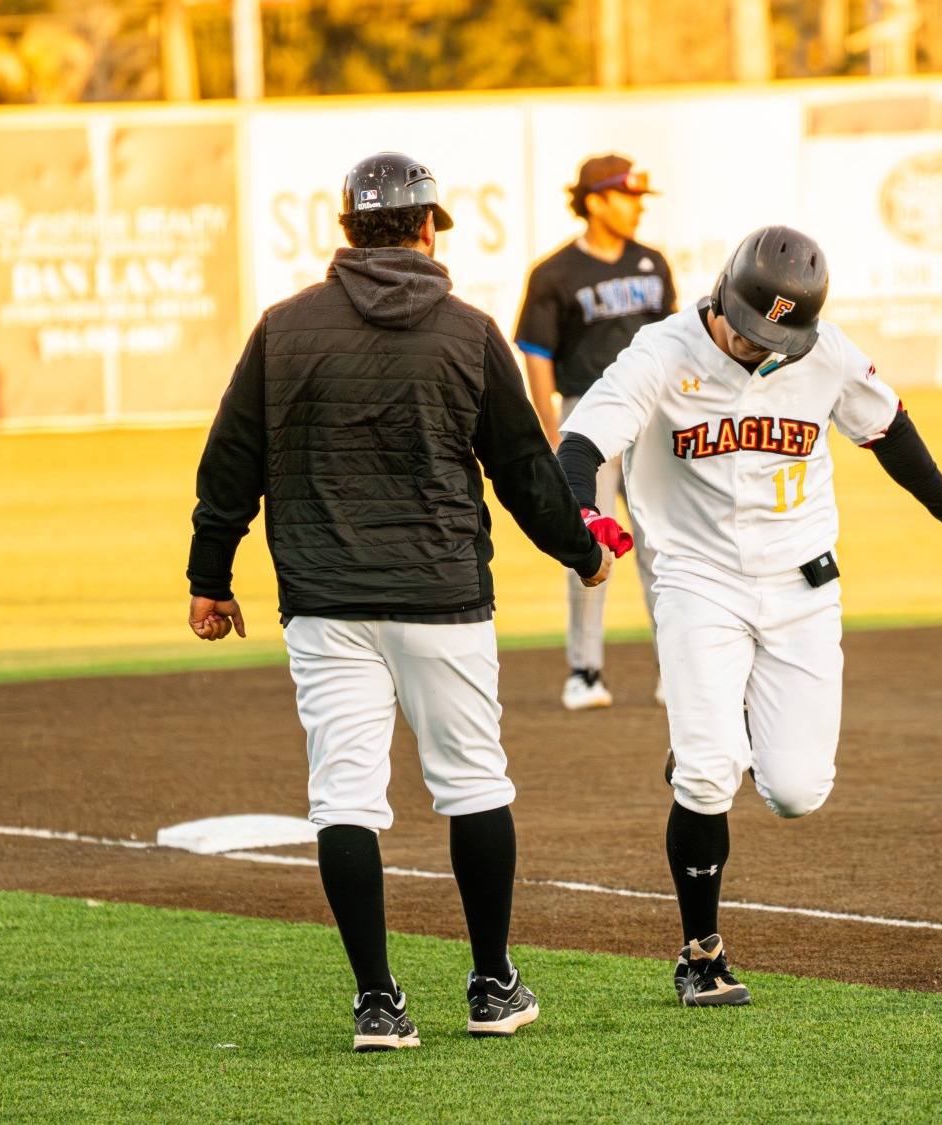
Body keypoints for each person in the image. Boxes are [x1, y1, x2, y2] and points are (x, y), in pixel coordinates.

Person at [185, 151, 627, 1051]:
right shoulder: (467, 331)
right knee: (474, 786)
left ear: (348, 230)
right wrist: (582, 553)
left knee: (343, 797)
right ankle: (492, 984)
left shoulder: (283, 329)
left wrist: (210, 576)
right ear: (428, 230)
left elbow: (231, 460)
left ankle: (378, 1002)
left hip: (322, 600)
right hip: (441, 596)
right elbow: (524, 472)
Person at [555, 226, 942, 1006]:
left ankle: (714, 742)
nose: (758, 343)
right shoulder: (660, 353)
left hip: (803, 587)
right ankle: (701, 953)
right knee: (707, 772)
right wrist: (583, 519)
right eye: (748, 325)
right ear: (722, 293)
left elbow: (889, 429)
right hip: (699, 583)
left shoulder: (824, 351)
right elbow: (579, 443)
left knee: (798, 791)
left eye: (778, 333)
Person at [514, 155, 677, 711]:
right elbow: (538, 355)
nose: (637, 208)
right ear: (596, 200)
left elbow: (676, 348)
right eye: (628, 196)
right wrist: (553, 432)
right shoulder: (554, 273)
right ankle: (585, 671)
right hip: (588, 417)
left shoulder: (653, 263)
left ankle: (675, 666)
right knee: (590, 541)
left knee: (665, 545)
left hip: (655, 419)